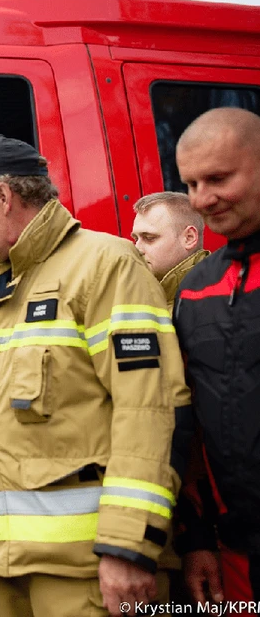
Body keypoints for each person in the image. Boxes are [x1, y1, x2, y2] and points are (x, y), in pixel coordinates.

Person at [0, 135, 191, 617]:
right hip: (1, 563)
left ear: (5, 198)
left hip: (85, 572)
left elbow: (150, 411)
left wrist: (127, 546)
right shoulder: (1, 284)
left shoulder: (106, 266)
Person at [173, 107, 260, 608]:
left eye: (219, 179)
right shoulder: (196, 287)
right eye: (190, 184)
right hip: (236, 554)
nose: (202, 199)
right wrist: (197, 539)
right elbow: (189, 427)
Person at [131, 192, 210, 304]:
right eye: (136, 239)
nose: (137, 249)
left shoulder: (218, 301)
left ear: (189, 238)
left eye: (149, 238)